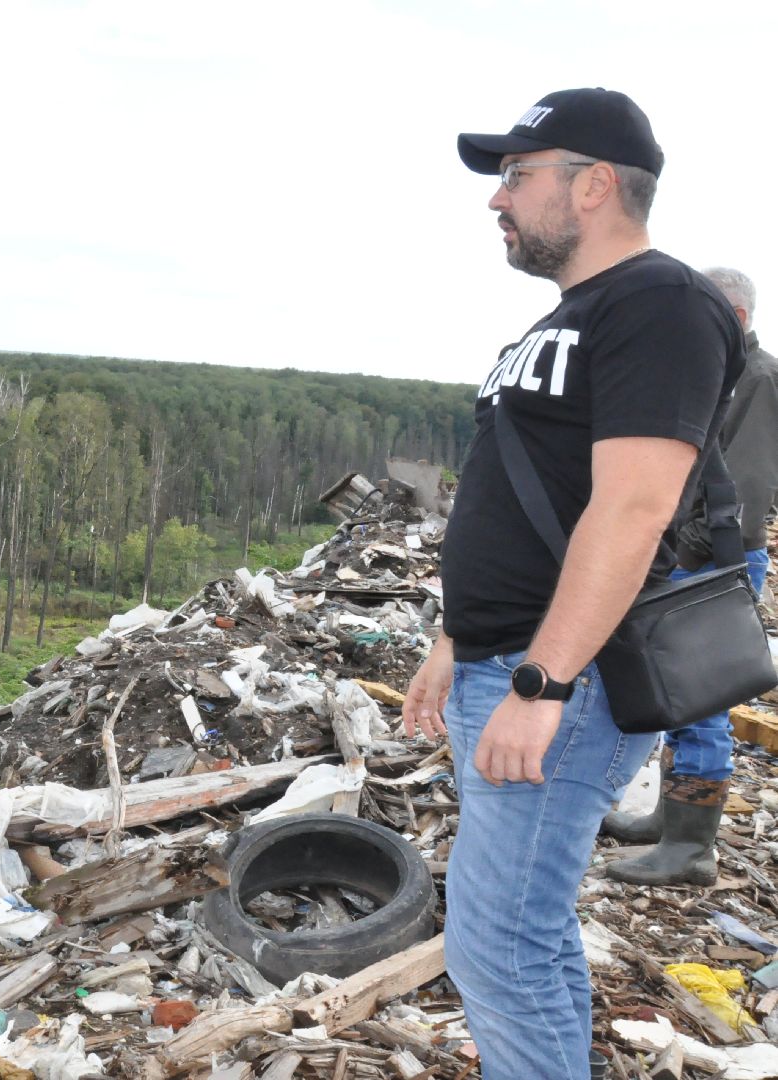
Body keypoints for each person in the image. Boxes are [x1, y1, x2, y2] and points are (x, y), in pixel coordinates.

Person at [401, 88, 744, 1080]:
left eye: (516, 174)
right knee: (524, 932)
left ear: (594, 186)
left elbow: (635, 508)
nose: (496, 199)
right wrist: (454, 636)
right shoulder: (578, 316)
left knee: (495, 948)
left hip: (568, 677)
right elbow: (530, 496)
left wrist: (543, 682)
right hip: (507, 660)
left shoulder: (661, 303)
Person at [604, 268, 778, 886]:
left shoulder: (758, 379)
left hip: (712, 561)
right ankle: (667, 819)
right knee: (676, 696)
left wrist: (678, 555)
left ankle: (691, 848)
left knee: (701, 702)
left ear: (733, 316)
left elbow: (746, 498)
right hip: (689, 555)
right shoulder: (722, 374)